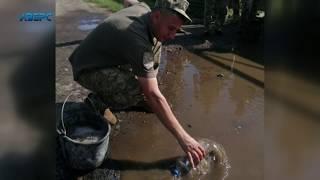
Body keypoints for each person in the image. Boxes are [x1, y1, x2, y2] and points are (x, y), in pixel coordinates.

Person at [69, 0, 205, 168]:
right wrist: (184, 138)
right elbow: (152, 94)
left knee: (150, 90)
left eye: (177, 30)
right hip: (87, 68)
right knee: (141, 92)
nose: (172, 36)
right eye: (170, 28)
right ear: (156, 16)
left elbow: (131, 2)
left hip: (107, 57)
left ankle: (121, 94)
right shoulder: (138, 39)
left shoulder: (145, 10)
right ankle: (97, 102)